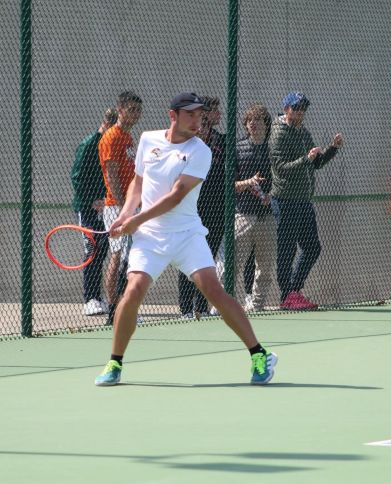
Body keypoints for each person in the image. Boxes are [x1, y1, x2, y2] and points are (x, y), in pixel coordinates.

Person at [94, 92, 278, 386]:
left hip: (187, 234)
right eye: (190, 114)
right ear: (173, 115)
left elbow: (177, 195)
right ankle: (115, 363)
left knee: (214, 291)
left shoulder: (200, 151)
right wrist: (125, 211)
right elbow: (138, 183)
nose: (197, 120)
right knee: (133, 292)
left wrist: (135, 220)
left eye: (200, 115)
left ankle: (259, 354)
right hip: (150, 237)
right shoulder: (147, 140)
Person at [269, 92, 344, 310]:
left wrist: (333, 149)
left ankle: (293, 290)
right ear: (286, 110)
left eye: (303, 109)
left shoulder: (303, 132)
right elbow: (280, 167)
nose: (300, 112)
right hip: (285, 200)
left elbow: (316, 163)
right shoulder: (278, 133)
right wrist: (305, 159)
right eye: (296, 108)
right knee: (287, 249)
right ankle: (287, 297)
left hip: (303, 201)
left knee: (312, 247)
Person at [178, 96, 226, 319]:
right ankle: (186, 308)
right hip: (191, 211)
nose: (204, 127)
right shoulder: (187, 145)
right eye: (202, 121)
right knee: (186, 258)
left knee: (207, 259)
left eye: (207, 121)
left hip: (216, 211)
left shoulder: (222, 142)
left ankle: (202, 307)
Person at [98, 91, 143, 325]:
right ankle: (113, 309)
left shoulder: (128, 138)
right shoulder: (111, 138)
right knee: (117, 256)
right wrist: (123, 207)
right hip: (117, 207)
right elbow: (111, 174)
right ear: (121, 109)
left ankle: (125, 307)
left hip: (131, 206)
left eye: (138, 111)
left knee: (132, 258)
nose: (136, 115)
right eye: (132, 110)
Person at [71, 107, 118, 316]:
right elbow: (77, 176)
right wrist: (92, 200)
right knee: (92, 251)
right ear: (107, 123)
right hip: (89, 210)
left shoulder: (114, 143)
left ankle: (101, 299)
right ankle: (90, 299)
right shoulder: (89, 144)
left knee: (105, 251)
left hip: (107, 208)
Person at [234, 104, 276, 311]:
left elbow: (281, 179)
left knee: (265, 266)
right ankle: (224, 303)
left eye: (258, 120)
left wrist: (272, 195)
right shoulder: (238, 148)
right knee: (234, 263)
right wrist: (248, 183)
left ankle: (257, 304)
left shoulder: (273, 149)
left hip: (267, 216)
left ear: (266, 124)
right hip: (243, 214)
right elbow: (229, 184)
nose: (254, 124)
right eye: (250, 121)